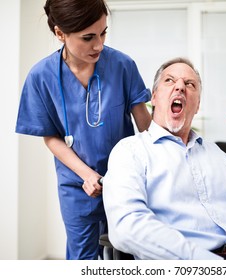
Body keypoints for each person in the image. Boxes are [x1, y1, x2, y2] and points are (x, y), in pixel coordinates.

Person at [103, 57, 226, 260]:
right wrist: (207, 264)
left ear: (197, 105)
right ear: (154, 97)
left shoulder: (216, 154)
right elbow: (128, 226)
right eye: (169, 81)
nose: (180, 87)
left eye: (189, 84)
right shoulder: (130, 151)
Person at [15, 0, 151, 260]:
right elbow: (51, 137)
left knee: (131, 255)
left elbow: (145, 125)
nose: (99, 44)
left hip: (126, 181)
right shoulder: (40, 76)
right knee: (82, 260)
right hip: (76, 185)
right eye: (88, 37)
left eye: (103, 33)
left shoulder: (122, 65)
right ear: (60, 34)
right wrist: (87, 174)